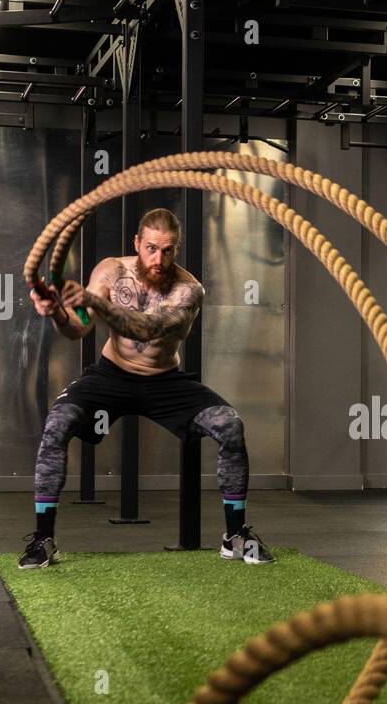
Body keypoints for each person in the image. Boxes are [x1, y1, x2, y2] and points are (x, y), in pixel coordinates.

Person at [18, 207, 273, 568]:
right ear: (137, 243)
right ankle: (43, 540)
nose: (159, 258)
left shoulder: (189, 290)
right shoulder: (109, 271)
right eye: (151, 248)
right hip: (111, 375)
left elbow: (147, 330)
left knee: (229, 424)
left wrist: (91, 301)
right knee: (56, 425)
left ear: (177, 249)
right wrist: (58, 312)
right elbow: (78, 329)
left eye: (168, 250)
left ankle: (235, 536)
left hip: (164, 381)